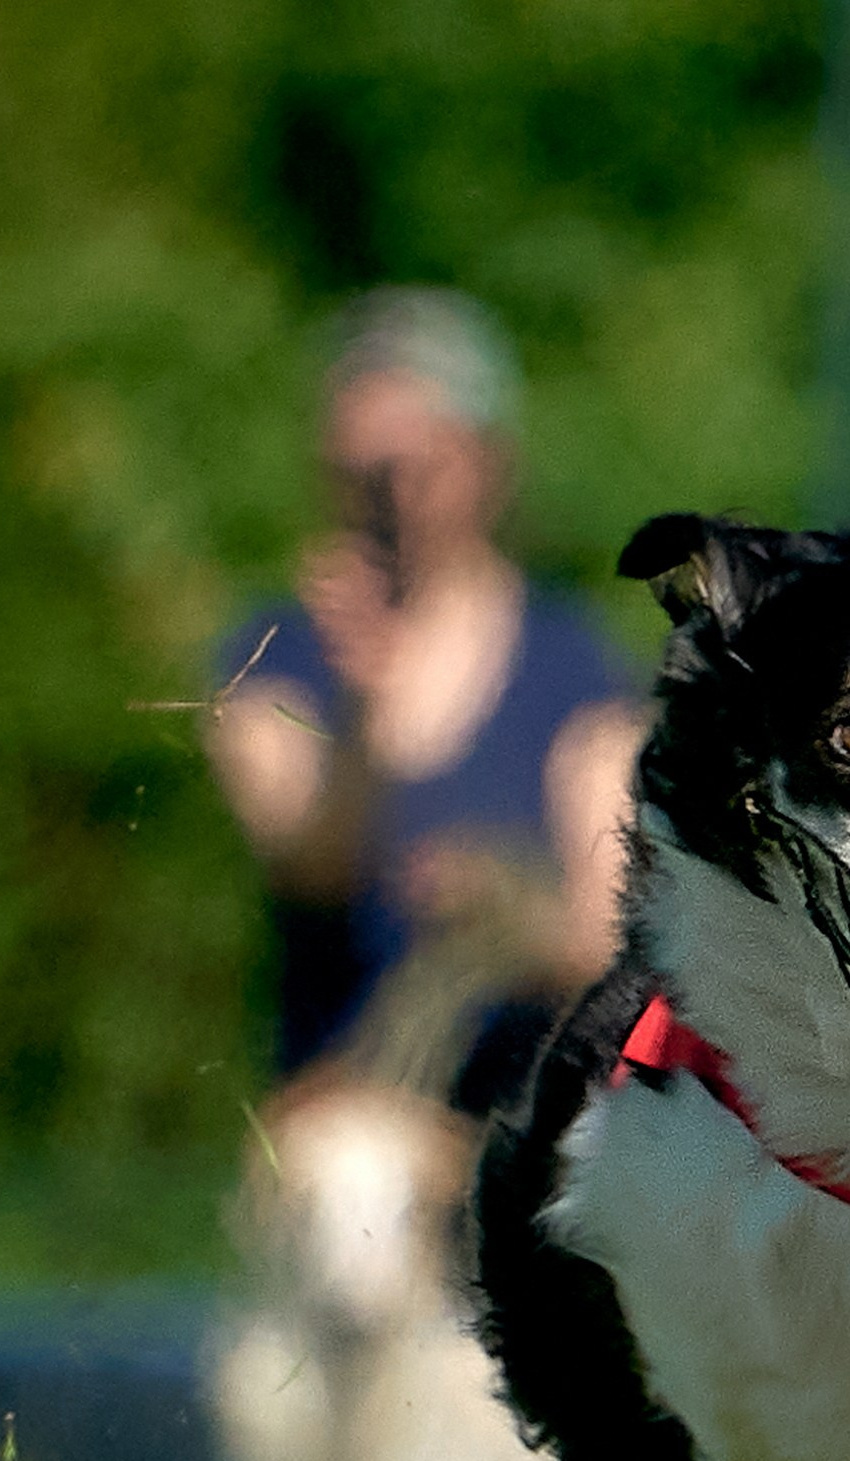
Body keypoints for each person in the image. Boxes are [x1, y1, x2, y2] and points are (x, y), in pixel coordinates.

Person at [205, 289, 642, 1115]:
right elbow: (311, 863)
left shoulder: (576, 666)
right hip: (347, 1110)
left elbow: (607, 940)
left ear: (485, 464)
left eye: (412, 467)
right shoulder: (273, 657)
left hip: (528, 1119)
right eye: (359, 471)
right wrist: (360, 708)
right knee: (348, 1165)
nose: (386, 499)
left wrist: (508, 912)